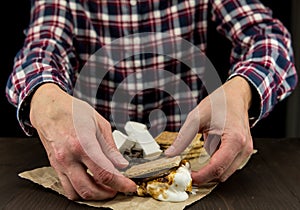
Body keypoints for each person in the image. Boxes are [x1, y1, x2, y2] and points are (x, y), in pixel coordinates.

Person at [6, 0, 297, 201]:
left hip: (191, 167)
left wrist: (241, 90)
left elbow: (267, 36)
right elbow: (42, 48)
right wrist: (43, 96)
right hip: (93, 168)